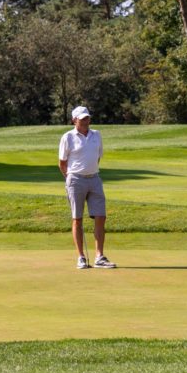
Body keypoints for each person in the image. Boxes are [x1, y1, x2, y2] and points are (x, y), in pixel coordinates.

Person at [58, 106, 116, 270]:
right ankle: (81, 257)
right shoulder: (68, 137)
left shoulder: (96, 135)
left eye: (87, 118)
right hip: (75, 180)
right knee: (77, 218)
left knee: (101, 216)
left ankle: (99, 257)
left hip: (95, 178)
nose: (85, 121)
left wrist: (90, 171)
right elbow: (62, 163)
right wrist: (71, 178)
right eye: (82, 118)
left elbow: (97, 158)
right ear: (74, 120)